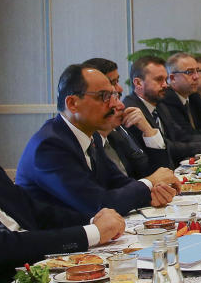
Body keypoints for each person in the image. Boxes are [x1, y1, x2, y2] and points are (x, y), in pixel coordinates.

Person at [0, 129, 126, 283]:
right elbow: (1, 246)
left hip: (48, 276)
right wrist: (92, 232)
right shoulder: (49, 143)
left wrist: (93, 220)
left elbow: (38, 212)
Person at [15, 64, 178, 221]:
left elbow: (118, 182)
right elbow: (98, 205)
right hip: (57, 243)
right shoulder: (50, 146)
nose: (115, 104)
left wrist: (155, 190)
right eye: (104, 97)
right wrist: (150, 182)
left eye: (113, 96)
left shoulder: (90, 137)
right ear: (72, 104)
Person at [122, 55, 201, 162]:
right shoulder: (133, 111)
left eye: (165, 79)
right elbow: (169, 148)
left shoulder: (159, 105)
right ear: (138, 83)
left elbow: (180, 137)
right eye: (159, 80)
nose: (165, 85)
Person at [82, 57, 172, 179]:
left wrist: (149, 131)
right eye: (112, 83)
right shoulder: (83, 140)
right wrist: (150, 182)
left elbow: (153, 170)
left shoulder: (116, 133)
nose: (120, 88)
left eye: (117, 82)